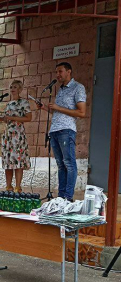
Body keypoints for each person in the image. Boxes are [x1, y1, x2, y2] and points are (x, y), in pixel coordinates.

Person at [41, 62, 87, 201]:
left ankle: (68, 197)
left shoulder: (78, 87)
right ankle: (61, 197)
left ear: (69, 71)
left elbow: (81, 112)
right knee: (61, 165)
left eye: (60, 71)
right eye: (56, 72)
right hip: (54, 130)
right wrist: (44, 107)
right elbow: (58, 112)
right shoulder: (60, 89)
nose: (57, 75)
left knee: (69, 163)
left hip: (66, 130)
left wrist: (57, 107)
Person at [0, 80, 32, 192]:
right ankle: (8, 186)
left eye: (15, 87)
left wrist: (12, 118)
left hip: (18, 135)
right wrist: (3, 119)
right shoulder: (9, 104)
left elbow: (28, 118)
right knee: (8, 161)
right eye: (11, 87)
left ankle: (18, 186)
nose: (12, 89)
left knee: (18, 160)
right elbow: (8, 119)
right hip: (8, 135)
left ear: (20, 89)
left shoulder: (24, 102)